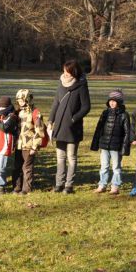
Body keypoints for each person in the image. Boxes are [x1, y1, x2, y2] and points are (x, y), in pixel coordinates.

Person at [49, 60, 91, 194]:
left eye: (68, 72)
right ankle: (59, 184)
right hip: (59, 126)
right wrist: (51, 120)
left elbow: (86, 107)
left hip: (73, 128)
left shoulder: (81, 85)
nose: (65, 74)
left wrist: (74, 119)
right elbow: (56, 102)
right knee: (60, 157)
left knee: (71, 157)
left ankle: (69, 185)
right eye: (64, 71)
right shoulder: (60, 83)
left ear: (74, 72)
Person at [90, 90, 132, 195]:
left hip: (116, 146)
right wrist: (95, 143)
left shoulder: (124, 115)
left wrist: (124, 148)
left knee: (116, 167)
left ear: (119, 102)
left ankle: (115, 186)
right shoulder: (105, 113)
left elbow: (127, 132)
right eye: (110, 101)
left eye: (115, 101)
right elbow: (98, 129)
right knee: (104, 166)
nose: (112, 103)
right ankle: (102, 185)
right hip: (104, 145)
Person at [13, 89, 45, 195]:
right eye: (18, 100)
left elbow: (39, 130)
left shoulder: (35, 113)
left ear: (27, 100)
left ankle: (26, 189)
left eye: (22, 100)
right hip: (19, 144)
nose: (20, 103)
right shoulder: (18, 112)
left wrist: (34, 147)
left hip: (29, 145)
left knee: (27, 167)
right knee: (17, 166)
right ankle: (17, 187)